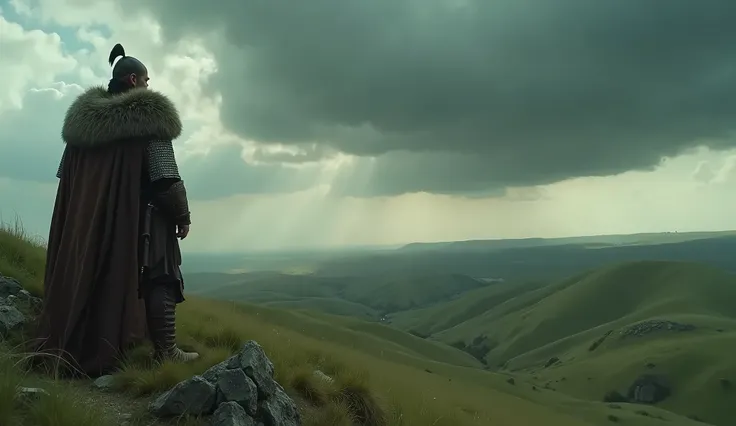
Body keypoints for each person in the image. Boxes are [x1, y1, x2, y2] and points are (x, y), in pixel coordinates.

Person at [34, 43, 199, 377]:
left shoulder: (82, 125)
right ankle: (166, 352)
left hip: (84, 220)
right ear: (134, 79)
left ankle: (80, 343)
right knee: (162, 270)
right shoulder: (148, 116)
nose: (149, 87)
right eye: (147, 81)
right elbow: (165, 178)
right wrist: (181, 215)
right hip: (135, 220)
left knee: (89, 275)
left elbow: (67, 177)